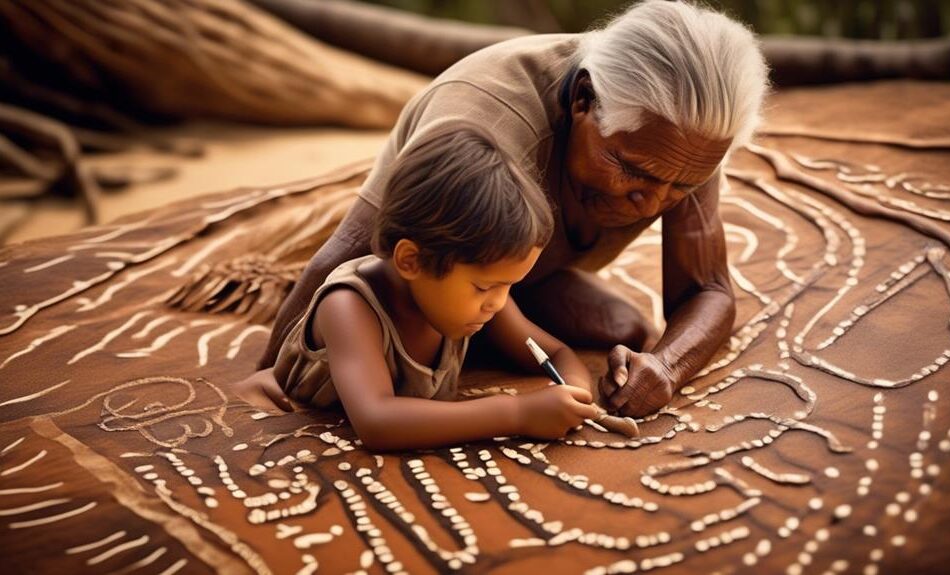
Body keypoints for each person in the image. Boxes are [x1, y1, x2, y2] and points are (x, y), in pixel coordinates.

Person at [258, 0, 770, 417]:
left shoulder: (687, 142)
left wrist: (666, 368)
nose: (653, 202)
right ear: (583, 100)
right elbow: (354, 248)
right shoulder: (484, 115)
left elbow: (707, 289)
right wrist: (274, 368)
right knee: (393, 330)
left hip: (511, 274)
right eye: (632, 170)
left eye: (681, 185)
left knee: (622, 331)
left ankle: (477, 303)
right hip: (432, 267)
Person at [235, 125, 601, 450]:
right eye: (484, 286)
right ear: (411, 260)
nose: (498, 303)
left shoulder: (484, 298)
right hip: (286, 413)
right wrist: (518, 412)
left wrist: (572, 392)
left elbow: (555, 353)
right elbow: (377, 421)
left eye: (508, 286)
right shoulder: (349, 306)